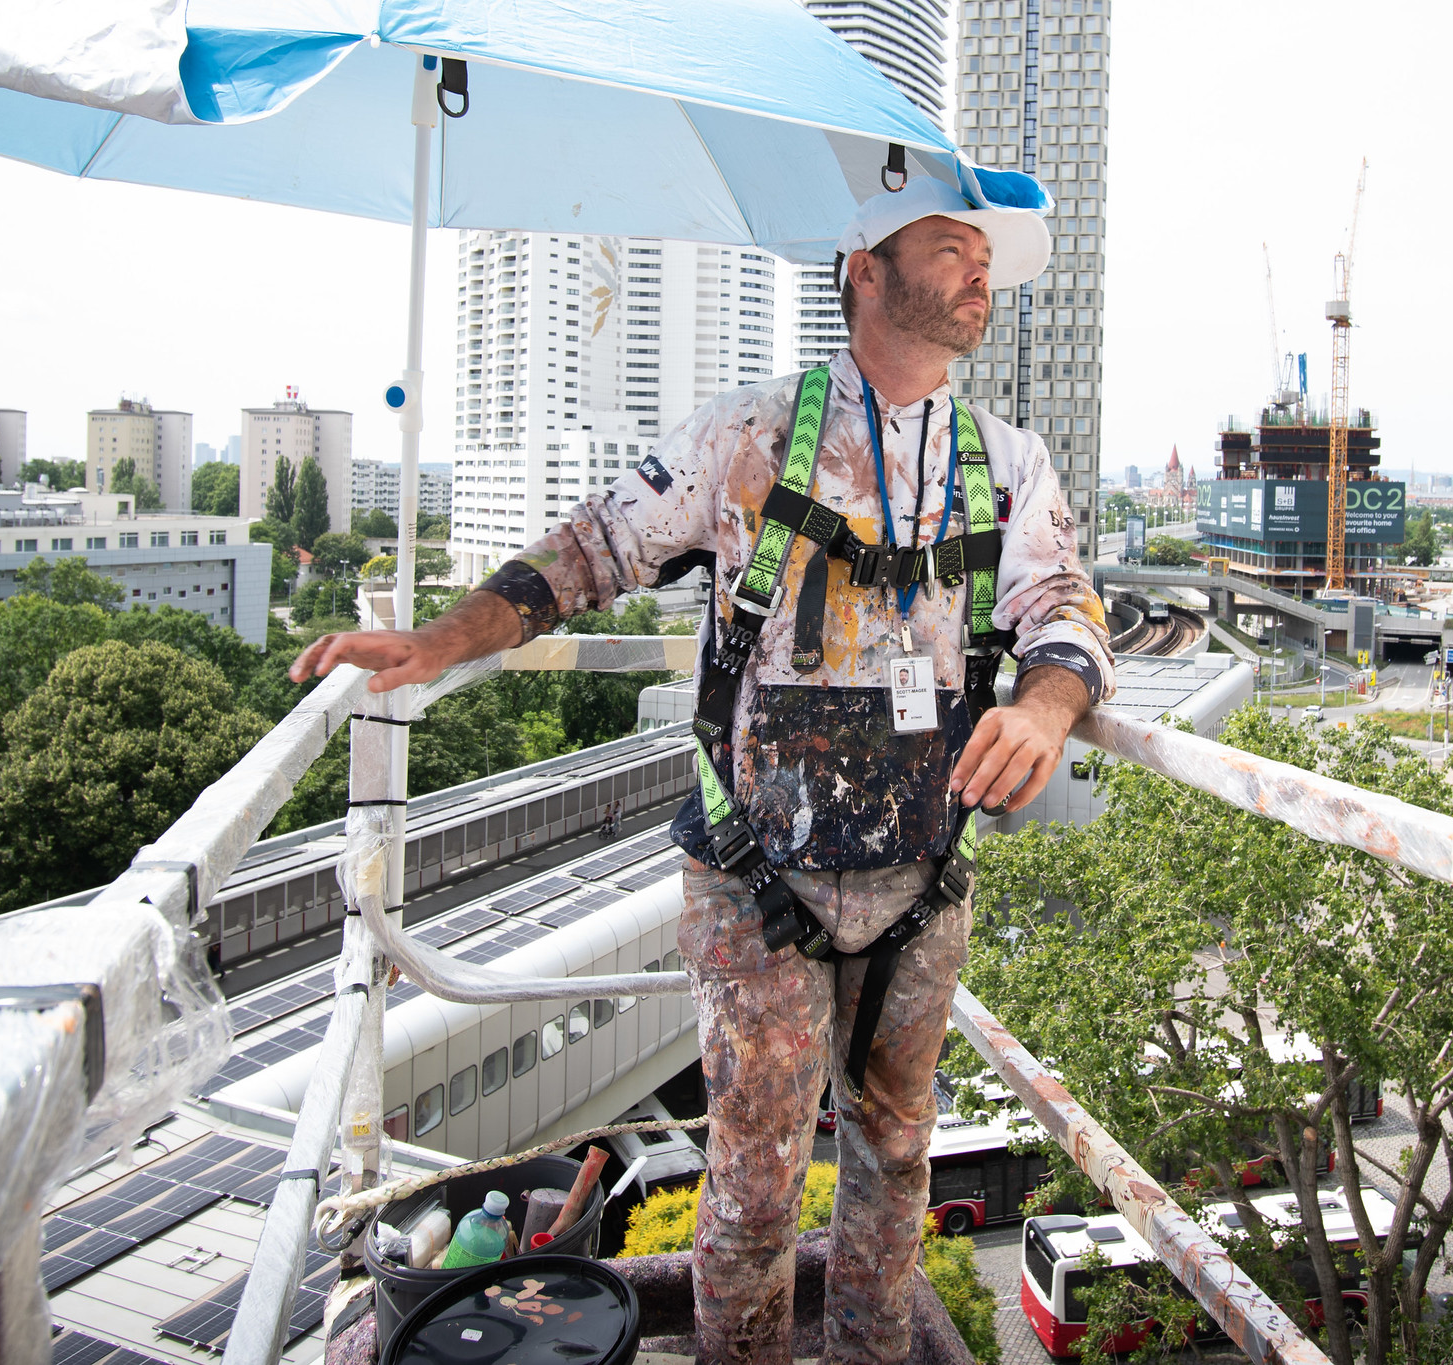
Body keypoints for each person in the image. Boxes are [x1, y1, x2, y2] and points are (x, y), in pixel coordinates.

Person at [292, 178, 1113, 1365]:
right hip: (753, 881)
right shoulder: (747, 440)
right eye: (949, 248)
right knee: (754, 1174)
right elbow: (588, 550)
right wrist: (435, 643)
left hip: (919, 880)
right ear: (864, 273)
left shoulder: (1008, 464)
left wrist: (1044, 705)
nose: (979, 272)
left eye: (985, 255)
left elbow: (1062, 608)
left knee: (894, 1157)